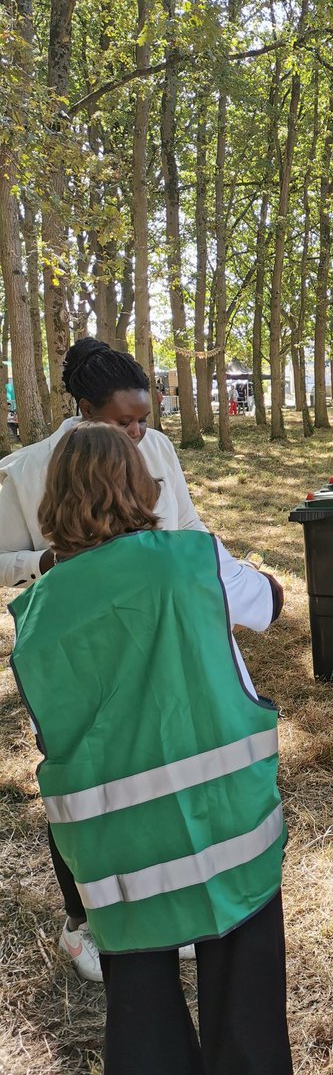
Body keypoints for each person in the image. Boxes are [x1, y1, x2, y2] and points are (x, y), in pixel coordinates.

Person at [9, 423, 292, 1074]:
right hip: (226, 828)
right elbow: (266, 606)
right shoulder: (190, 558)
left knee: (140, 1016)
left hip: (115, 855)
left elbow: (49, 734)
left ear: (54, 500)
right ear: (141, 486)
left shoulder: (37, 615)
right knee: (245, 1011)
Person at [0, 337, 207, 982]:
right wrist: (47, 562)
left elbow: (190, 530)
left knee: (156, 773)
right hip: (74, 653)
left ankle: (155, 904)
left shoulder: (158, 451)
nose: (138, 434)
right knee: (81, 781)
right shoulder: (26, 469)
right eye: (123, 423)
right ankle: (80, 922)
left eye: (145, 420)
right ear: (84, 409)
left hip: (154, 647)